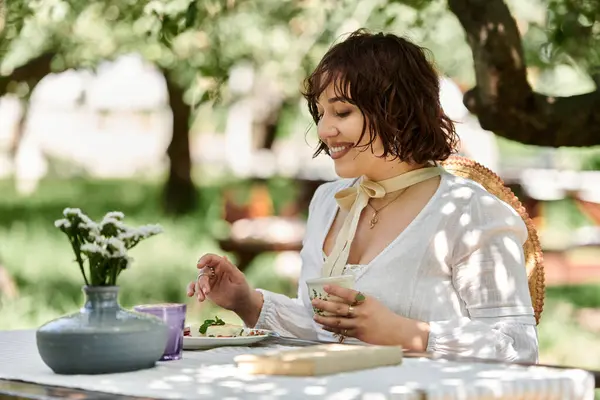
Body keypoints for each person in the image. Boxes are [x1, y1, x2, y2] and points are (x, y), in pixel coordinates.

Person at [187, 29, 539, 362]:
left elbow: (517, 346)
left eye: (342, 112)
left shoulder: (468, 212)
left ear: (398, 111)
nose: (324, 130)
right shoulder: (329, 202)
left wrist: (408, 333)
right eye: (321, 113)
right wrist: (247, 302)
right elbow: (324, 331)